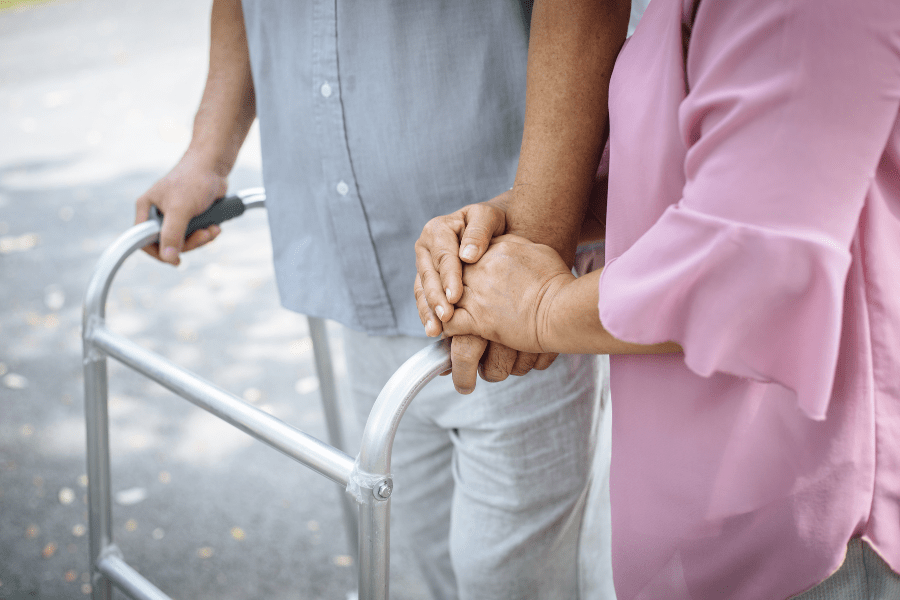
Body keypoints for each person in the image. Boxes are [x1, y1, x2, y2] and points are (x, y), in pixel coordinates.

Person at [134, 1, 641, 598]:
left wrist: (534, 244)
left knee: (507, 580)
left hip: (498, 271)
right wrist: (206, 154)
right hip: (360, 278)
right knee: (413, 564)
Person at [416, 0, 900, 598]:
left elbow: (751, 266)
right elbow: (694, 165)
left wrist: (541, 307)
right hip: (700, 515)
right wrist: (506, 225)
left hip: (809, 532)